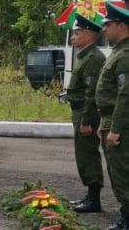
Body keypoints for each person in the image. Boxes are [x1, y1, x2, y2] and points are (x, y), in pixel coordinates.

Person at [66, 14, 105, 213]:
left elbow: (91, 93)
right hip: (80, 111)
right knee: (83, 154)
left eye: (77, 33)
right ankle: (90, 195)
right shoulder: (85, 55)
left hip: (85, 113)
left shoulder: (93, 58)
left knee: (88, 154)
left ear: (89, 35)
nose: (73, 38)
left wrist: (87, 120)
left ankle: (94, 199)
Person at [96, 2, 129, 230]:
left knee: (122, 173)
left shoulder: (126, 55)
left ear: (122, 25)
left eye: (108, 24)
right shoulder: (118, 52)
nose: (104, 29)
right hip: (110, 120)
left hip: (122, 126)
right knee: (116, 173)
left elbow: (126, 96)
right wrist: (103, 122)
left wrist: (115, 128)